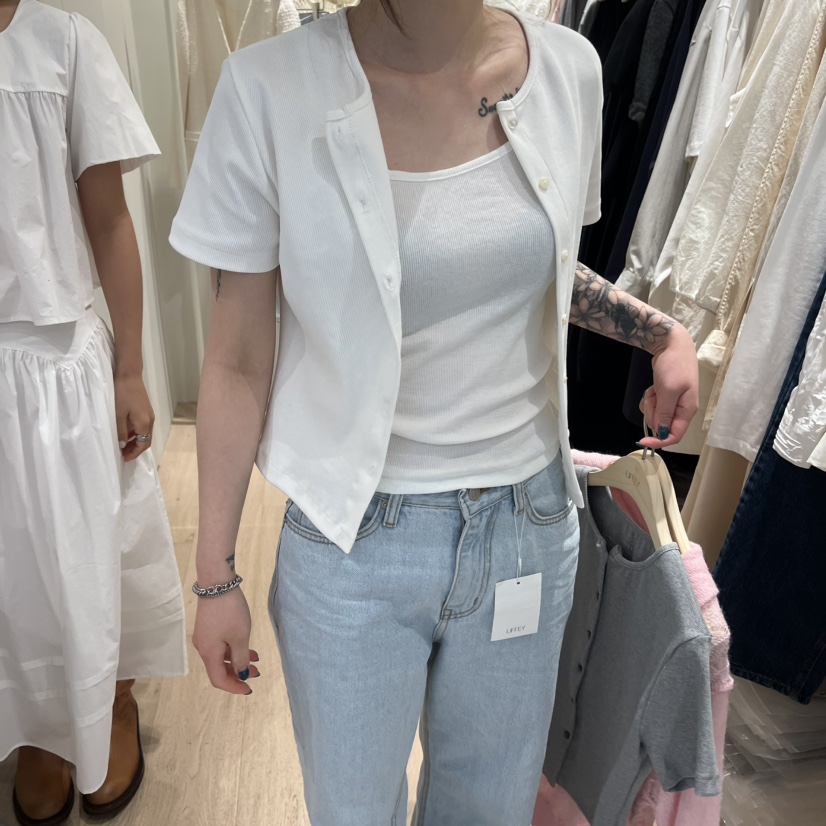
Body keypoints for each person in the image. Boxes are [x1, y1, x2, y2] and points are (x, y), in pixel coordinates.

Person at [170, 1, 699, 824]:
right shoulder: (268, 90)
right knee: (352, 812)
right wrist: (215, 577)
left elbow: (524, 258)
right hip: (353, 542)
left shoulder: (568, 70)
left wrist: (657, 329)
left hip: (528, 527)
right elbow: (237, 358)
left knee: (489, 810)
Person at [0, 1, 186, 823]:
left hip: (60, 357)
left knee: (93, 546)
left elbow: (109, 218)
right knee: (15, 572)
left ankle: (110, 698)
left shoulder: (63, 43)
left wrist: (130, 365)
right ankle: (37, 725)